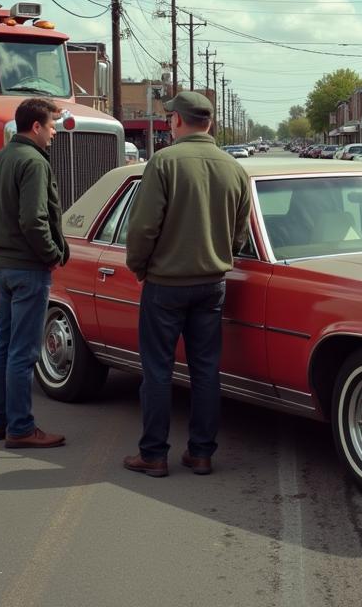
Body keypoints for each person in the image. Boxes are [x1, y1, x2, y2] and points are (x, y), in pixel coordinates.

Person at [122, 90, 251, 478]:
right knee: (206, 369)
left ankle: (154, 454)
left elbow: (143, 227)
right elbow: (239, 233)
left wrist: (139, 266)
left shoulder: (163, 162)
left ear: (176, 121)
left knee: (158, 369)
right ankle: (201, 453)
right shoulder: (234, 167)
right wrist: (220, 255)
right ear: (209, 122)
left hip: (166, 283)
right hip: (212, 283)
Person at [0, 97, 69, 449]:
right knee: (25, 351)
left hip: (3, 264)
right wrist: (51, 254)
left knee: (3, 345)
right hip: (28, 267)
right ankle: (20, 428)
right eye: (50, 127)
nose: (53, 134)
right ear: (35, 126)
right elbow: (33, 220)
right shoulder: (34, 162)